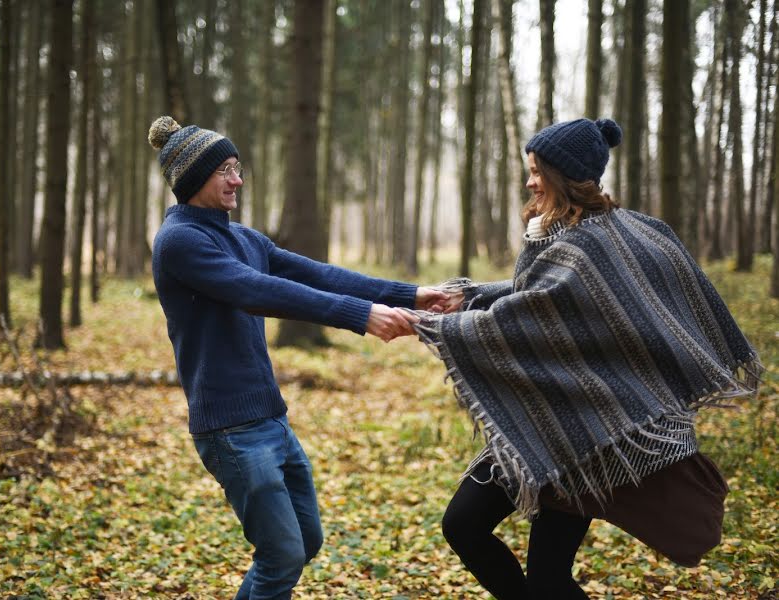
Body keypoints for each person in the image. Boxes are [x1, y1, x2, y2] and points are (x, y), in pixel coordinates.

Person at [395, 118, 762, 599]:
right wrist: (472, 297)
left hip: (594, 430)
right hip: (539, 416)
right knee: (463, 525)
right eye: (528, 170)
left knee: (548, 576)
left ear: (565, 174)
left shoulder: (604, 238)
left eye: (537, 171)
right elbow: (543, 298)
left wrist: (437, 325)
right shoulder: (559, 233)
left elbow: (538, 311)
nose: (529, 181)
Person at [147, 116, 450, 600]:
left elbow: (319, 275)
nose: (237, 179)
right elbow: (254, 290)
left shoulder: (244, 239)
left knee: (304, 543)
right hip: (230, 429)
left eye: (237, 167)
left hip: (270, 419)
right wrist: (360, 316)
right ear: (192, 179)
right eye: (224, 169)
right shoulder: (180, 242)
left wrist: (411, 295)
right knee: (282, 556)